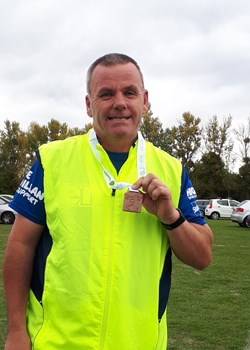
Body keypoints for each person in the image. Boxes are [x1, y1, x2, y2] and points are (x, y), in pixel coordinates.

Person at [3, 53, 214, 350]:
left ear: (144, 101)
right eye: (106, 94)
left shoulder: (171, 170)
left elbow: (202, 257)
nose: (119, 103)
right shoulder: (53, 160)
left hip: (138, 342)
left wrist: (171, 217)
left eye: (129, 92)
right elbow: (20, 244)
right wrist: (15, 331)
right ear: (89, 105)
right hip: (57, 342)